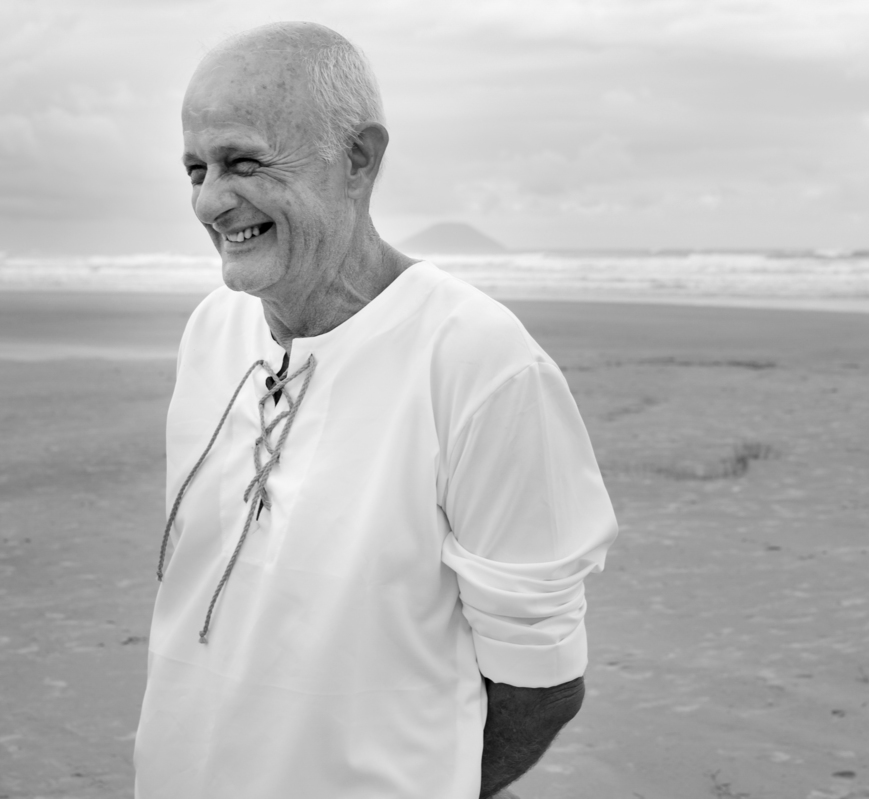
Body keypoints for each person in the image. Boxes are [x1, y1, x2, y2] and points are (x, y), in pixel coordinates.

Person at [134, 21, 618, 799]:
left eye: (244, 162)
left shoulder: (478, 359)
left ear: (357, 158)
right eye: (196, 168)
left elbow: (543, 683)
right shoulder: (211, 332)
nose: (211, 200)